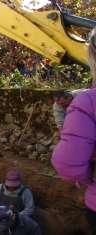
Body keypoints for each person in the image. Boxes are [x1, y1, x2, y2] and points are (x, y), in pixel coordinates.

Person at [51, 27, 96, 233]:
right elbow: (60, 122)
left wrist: (89, 178)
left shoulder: (85, 100)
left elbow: (68, 163)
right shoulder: (59, 105)